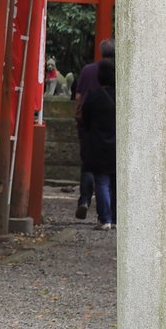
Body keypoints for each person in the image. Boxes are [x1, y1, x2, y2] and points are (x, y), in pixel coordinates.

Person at [73, 38, 115, 220]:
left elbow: (78, 97)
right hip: (114, 129)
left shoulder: (88, 70)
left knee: (90, 166)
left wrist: (82, 122)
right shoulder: (123, 71)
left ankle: (84, 200)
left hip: (90, 128)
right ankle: (110, 215)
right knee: (112, 175)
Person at [80, 58, 116, 229]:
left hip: (100, 145)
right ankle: (116, 218)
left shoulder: (93, 96)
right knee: (117, 183)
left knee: (101, 181)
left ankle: (105, 219)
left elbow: (84, 121)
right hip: (120, 146)